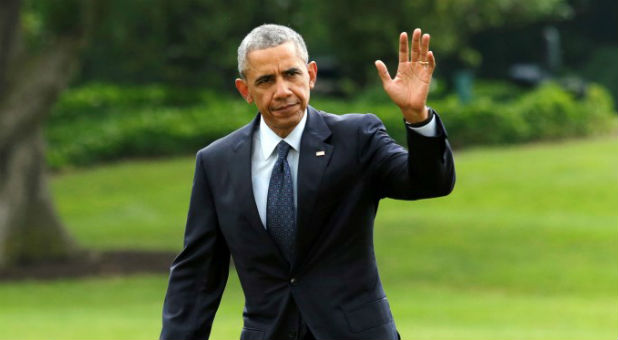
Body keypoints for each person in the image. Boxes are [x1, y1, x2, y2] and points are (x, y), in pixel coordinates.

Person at [160, 24, 455, 340]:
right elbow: (197, 276)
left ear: (311, 75)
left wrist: (417, 117)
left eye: (291, 74)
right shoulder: (216, 162)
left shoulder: (356, 137)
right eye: (265, 81)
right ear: (245, 90)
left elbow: (429, 182)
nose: (283, 90)